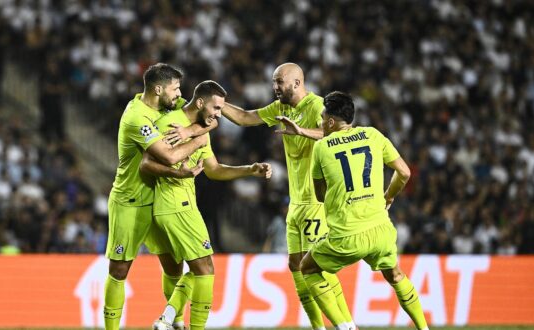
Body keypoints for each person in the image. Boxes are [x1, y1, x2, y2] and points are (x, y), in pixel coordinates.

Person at [220, 63, 354, 330]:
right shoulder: (280, 107)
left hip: (316, 201)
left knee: (315, 268)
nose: (275, 87)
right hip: (296, 201)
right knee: (295, 264)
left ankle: (346, 325)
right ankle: (319, 326)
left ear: (296, 83)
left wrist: (301, 131)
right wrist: (216, 103)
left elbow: (339, 133)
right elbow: (247, 117)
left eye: (279, 82)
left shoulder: (317, 107)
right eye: (273, 82)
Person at [140, 81, 272, 330]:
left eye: (221, 109)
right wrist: (192, 145)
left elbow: (214, 170)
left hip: (176, 205)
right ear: (200, 102)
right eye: (216, 107)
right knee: (205, 269)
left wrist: (249, 170)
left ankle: (169, 319)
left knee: (183, 270)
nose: (218, 115)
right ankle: (182, 323)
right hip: (174, 204)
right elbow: (146, 163)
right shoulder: (172, 124)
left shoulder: (200, 128)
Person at [299, 91, 429, 330]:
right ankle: (424, 328)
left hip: (346, 235)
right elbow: (405, 172)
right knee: (396, 275)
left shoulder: (321, 147)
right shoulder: (373, 134)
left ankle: (344, 327)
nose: (319, 122)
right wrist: (388, 196)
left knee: (307, 267)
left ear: (330, 121)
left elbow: (319, 195)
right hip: (381, 230)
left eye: (321, 117)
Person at [103, 63, 211, 330]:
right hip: (130, 200)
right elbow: (170, 155)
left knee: (174, 268)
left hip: (160, 200)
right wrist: (198, 139)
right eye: (175, 89)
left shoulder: (169, 105)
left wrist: (189, 130)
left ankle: (174, 322)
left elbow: (209, 114)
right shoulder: (136, 117)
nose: (179, 94)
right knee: (119, 269)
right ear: (158, 89)